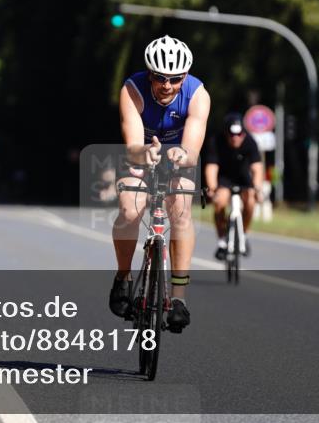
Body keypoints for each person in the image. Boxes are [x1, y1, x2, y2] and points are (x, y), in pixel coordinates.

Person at [112, 35, 210, 333]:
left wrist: (182, 155)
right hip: (141, 152)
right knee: (130, 209)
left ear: (185, 76)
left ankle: (178, 298)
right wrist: (144, 152)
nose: (167, 85)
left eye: (176, 79)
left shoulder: (198, 95)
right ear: (150, 74)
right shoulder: (132, 90)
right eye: (160, 77)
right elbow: (132, 145)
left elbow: (192, 149)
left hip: (178, 155)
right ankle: (123, 277)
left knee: (181, 209)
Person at [204, 112, 264, 259]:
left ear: (244, 133)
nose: (235, 138)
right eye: (232, 135)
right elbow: (211, 167)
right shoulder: (216, 141)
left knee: (250, 201)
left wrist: (258, 188)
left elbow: (257, 167)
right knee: (220, 202)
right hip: (224, 178)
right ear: (226, 133)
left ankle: (244, 234)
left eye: (239, 134)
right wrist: (212, 188)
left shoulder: (250, 141)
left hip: (243, 177)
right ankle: (222, 241)